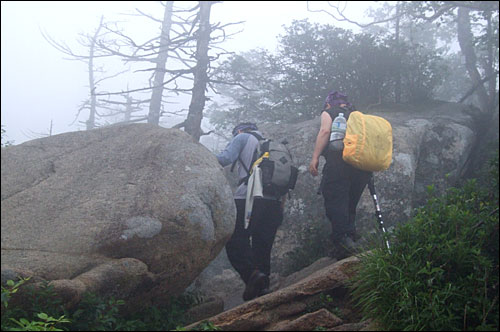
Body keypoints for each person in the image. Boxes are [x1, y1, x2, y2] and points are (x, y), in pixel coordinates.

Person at [216, 122, 285, 301]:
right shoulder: (273, 145)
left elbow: (224, 159)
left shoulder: (242, 137)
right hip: (274, 202)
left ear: (238, 131)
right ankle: (263, 287)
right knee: (262, 245)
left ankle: (252, 276)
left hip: (249, 197)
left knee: (235, 239)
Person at [309, 91, 372, 259]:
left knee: (335, 202)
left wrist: (315, 157)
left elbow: (324, 131)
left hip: (339, 164)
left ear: (329, 104)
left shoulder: (329, 112)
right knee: (350, 204)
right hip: (362, 167)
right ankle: (351, 238)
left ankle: (343, 243)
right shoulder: (357, 116)